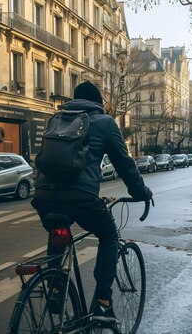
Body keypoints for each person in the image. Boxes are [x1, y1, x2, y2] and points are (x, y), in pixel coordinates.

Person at [31, 81, 153, 324]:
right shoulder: (105, 122)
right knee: (108, 235)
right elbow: (125, 164)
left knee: (58, 234)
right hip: (81, 197)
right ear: (98, 103)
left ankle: (55, 290)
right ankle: (103, 303)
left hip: (44, 197)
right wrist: (141, 192)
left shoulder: (56, 118)